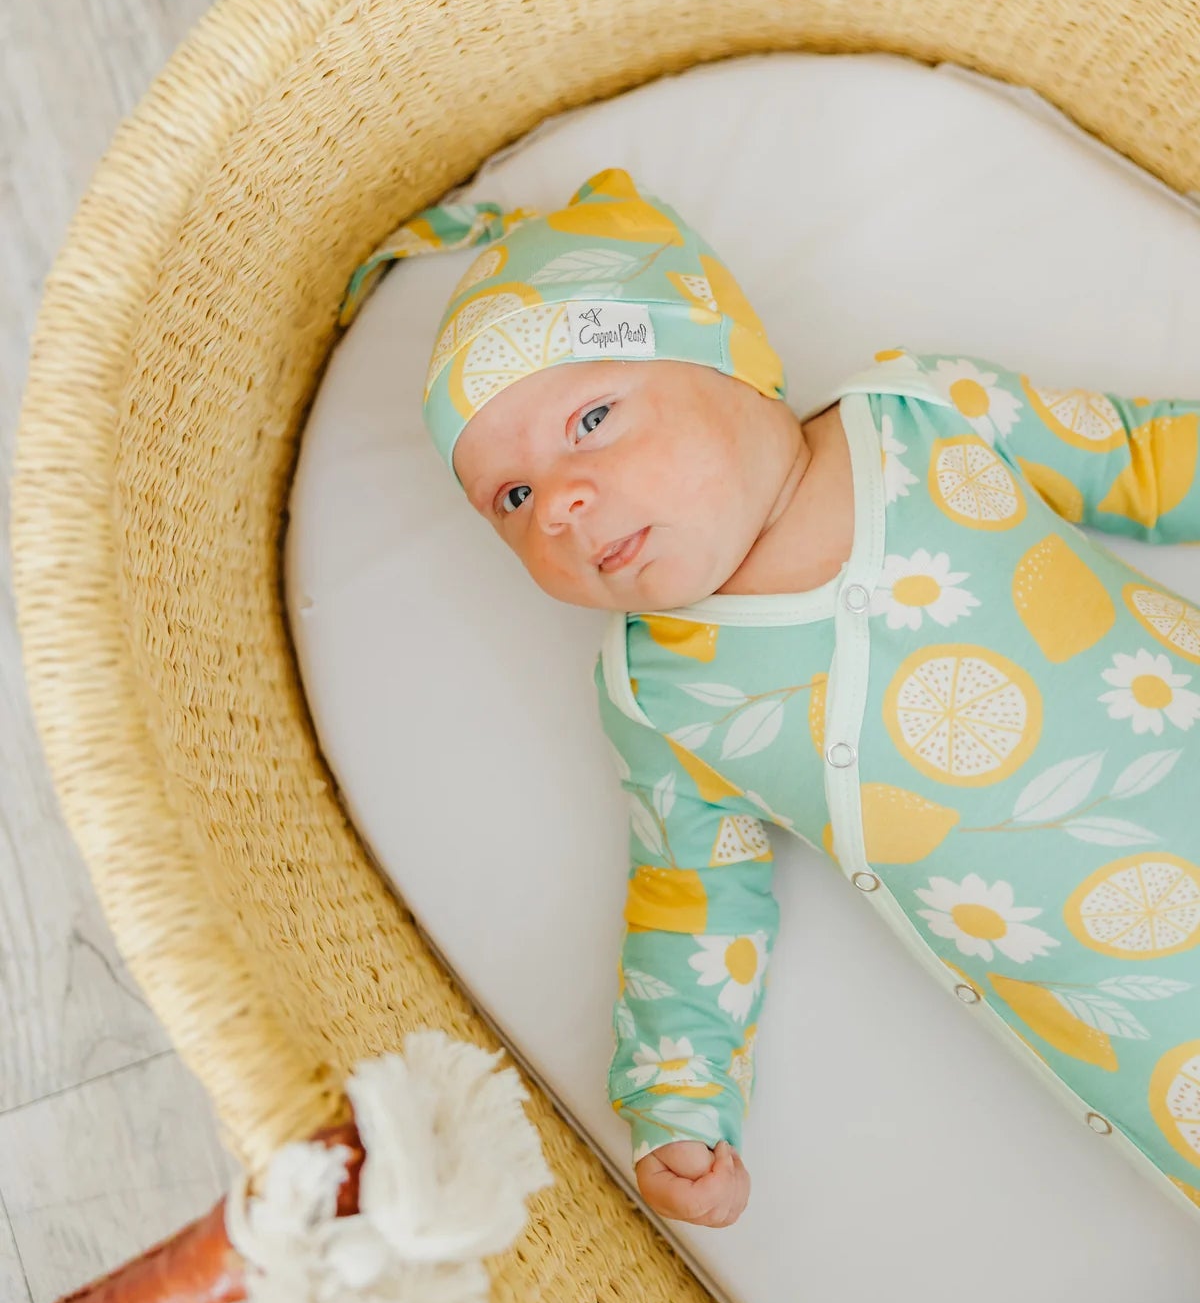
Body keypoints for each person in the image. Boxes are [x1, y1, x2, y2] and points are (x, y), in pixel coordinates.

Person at [340, 166, 1200, 1231]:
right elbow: (692, 897)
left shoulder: (923, 414)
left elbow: (1142, 462)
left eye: (593, 417)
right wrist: (679, 1099)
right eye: (509, 500)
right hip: (1147, 1021)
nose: (557, 501)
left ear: (727, 356)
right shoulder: (662, 692)